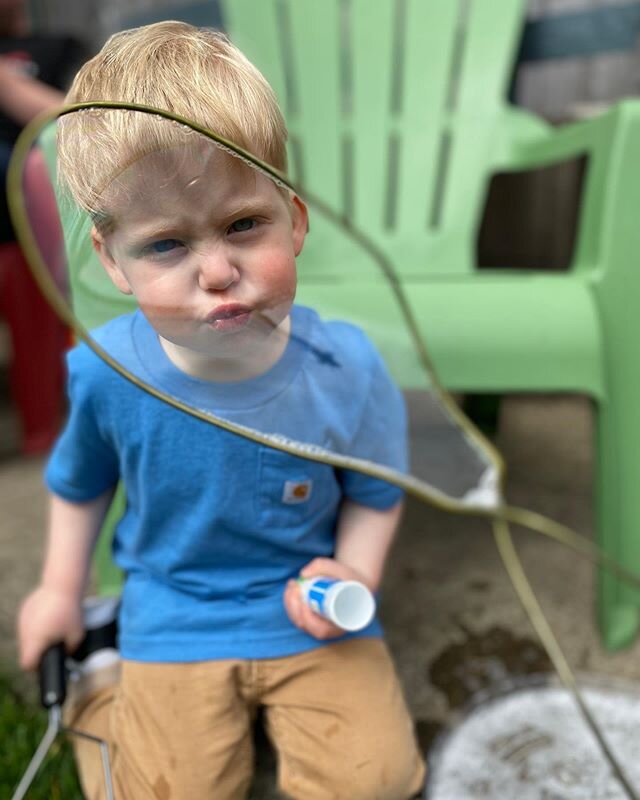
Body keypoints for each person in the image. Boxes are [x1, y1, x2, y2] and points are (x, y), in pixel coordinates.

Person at [16, 21, 425, 800]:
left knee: (378, 781)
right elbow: (80, 483)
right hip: (177, 609)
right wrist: (59, 589)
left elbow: (377, 489)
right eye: (166, 245)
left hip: (305, 596)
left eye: (244, 225)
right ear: (112, 260)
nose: (217, 270)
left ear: (294, 219)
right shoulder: (107, 373)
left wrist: (355, 573)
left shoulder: (348, 367)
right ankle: (103, 675)